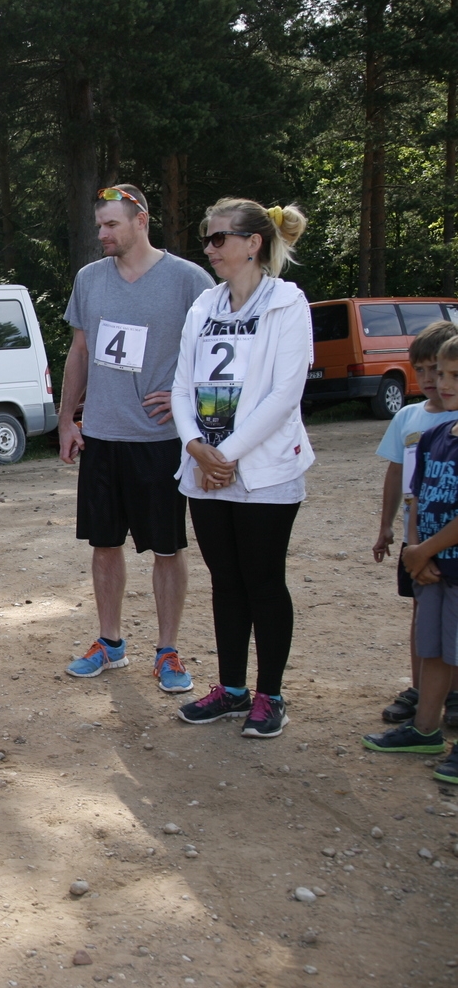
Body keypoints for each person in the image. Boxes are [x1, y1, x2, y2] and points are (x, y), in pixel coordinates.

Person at [58, 184, 214, 693]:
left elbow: (213, 352)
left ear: (140, 220)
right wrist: (67, 421)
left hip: (162, 441)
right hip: (102, 435)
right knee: (104, 544)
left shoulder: (189, 280)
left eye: (111, 225)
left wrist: (185, 397)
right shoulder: (89, 279)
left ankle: (168, 652)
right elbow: (79, 352)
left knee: (167, 548)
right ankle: (110, 643)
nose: (102, 233)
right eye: (99, 225)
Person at [171, 199, 314, 739]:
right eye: (206, 239)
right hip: (204, 470)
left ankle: (269, 695)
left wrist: (225, 454)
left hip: (263, 469)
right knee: (225, 582)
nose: (209, 249)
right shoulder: (202, 306)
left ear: (253, 243)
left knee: (262, 581)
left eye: (219, 239)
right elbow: (181, 386)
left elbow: (284, 394)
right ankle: (231, 689)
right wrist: (194, 446)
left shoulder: (287, 303)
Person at [364, 335, 458, 772]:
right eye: (438, 373)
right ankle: (425, 729)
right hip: (426, 558)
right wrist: (414, 548)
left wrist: (425, 551)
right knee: (434, 644)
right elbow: (415, 493)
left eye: (451, 375)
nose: (440, 383)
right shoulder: (435, 432)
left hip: (441, 557)